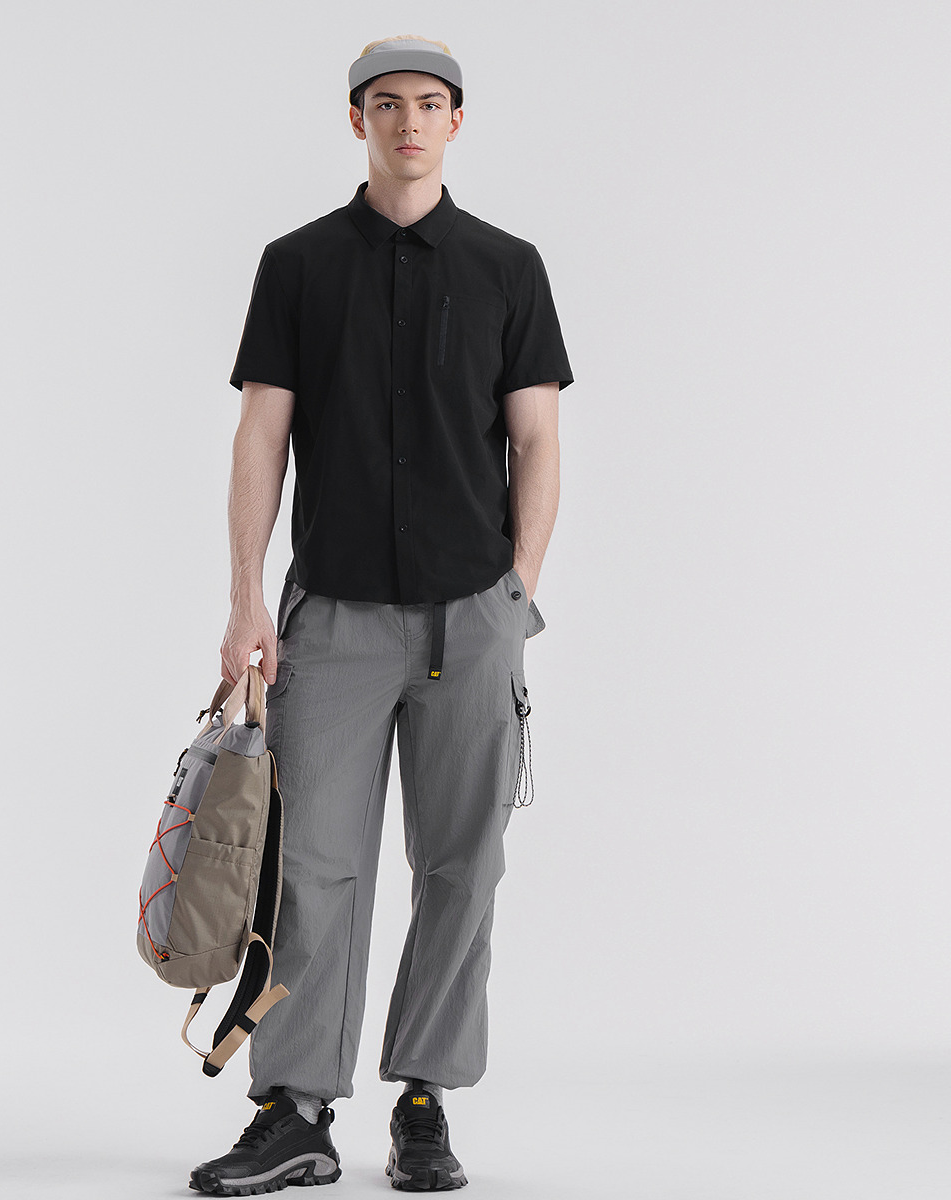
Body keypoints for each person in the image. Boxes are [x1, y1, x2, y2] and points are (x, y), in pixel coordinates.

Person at [189, 34, 573, 1195]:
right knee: (310, 867)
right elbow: (261, 436)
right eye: (388, 104)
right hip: (333, 622)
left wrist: (516, 594)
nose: (410, 122)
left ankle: (424, 1099)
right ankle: (296, 1109)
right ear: (356, 120)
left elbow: (538, 439)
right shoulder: (298, 265)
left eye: (431, 103)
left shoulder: (509, 267)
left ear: (457, 121)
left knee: (462, 866)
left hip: (471, 618)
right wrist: (247, 600)